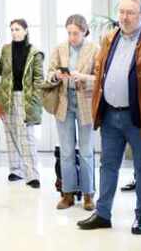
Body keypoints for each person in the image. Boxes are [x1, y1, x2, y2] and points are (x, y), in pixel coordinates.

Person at [78, 0, 141, 235]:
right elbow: (100, 69)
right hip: (110, 114)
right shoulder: (110, 38)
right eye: (121, 12)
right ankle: (102, 214)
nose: (124, 17)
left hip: (140, 116)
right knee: (107, 165)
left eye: (130, 13)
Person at [0, 18, 44, 189]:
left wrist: (35, 101)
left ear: (25, 30)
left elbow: (39, 80)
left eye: (17, 29)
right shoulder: (6, 49)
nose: (14, 32)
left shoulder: (35, 53)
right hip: (6, 97)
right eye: (12, 29)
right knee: (11, 136)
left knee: (27, 137)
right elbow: (0, 70)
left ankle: (32, 175)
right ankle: (16, 170)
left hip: (25, 98)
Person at [46, 14, 99, 211]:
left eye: (75, 33)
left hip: (85, 103)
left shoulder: (95, 49)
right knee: (66, 151)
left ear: (84, 32)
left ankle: (88, 194)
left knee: (86, 152)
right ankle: (67, 194)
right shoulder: (60, 48)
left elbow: (100, 78)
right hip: (64, 104)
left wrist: (83, 77)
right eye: (69, 33)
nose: (72, 37)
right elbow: (49, 74)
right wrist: (56, 75)